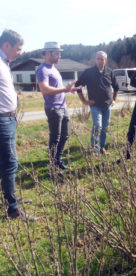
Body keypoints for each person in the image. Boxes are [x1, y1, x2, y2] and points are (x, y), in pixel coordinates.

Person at [0, 29, 36, 221]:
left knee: (5, 163)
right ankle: (12, 209)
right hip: (2, 120)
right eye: (19, 48)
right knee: (9, 164)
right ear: (7, 45)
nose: (21, 52)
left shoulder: (5, 64)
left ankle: (9, 196)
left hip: (8, 119)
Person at [36, 42, 81, 172]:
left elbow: (58, 88)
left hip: (63, 106)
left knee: (65, 135)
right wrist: (64, 89)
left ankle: (57, 160)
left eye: (60, 53)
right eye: (57, 53)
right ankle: (52, 167)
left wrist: (68, 90)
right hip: (53, 108)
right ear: (48, 53)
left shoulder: (54, 68)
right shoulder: (42, 69)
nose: (59, 56)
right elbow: (44, 89)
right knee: (55, 137)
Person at [75, 51, 118, 155]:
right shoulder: (88, 72)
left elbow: (116, 87)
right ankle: (94, 150)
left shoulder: (110, 72)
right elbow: (78, 85)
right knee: (97, 126)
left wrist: (114, 99)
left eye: (102, 59)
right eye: (98, 59)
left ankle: (102, 148)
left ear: (105, 61)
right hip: (95, 105)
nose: (100, 61)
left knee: (105, 128)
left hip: (107, 105)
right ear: (95, 60)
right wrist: (84, 101)